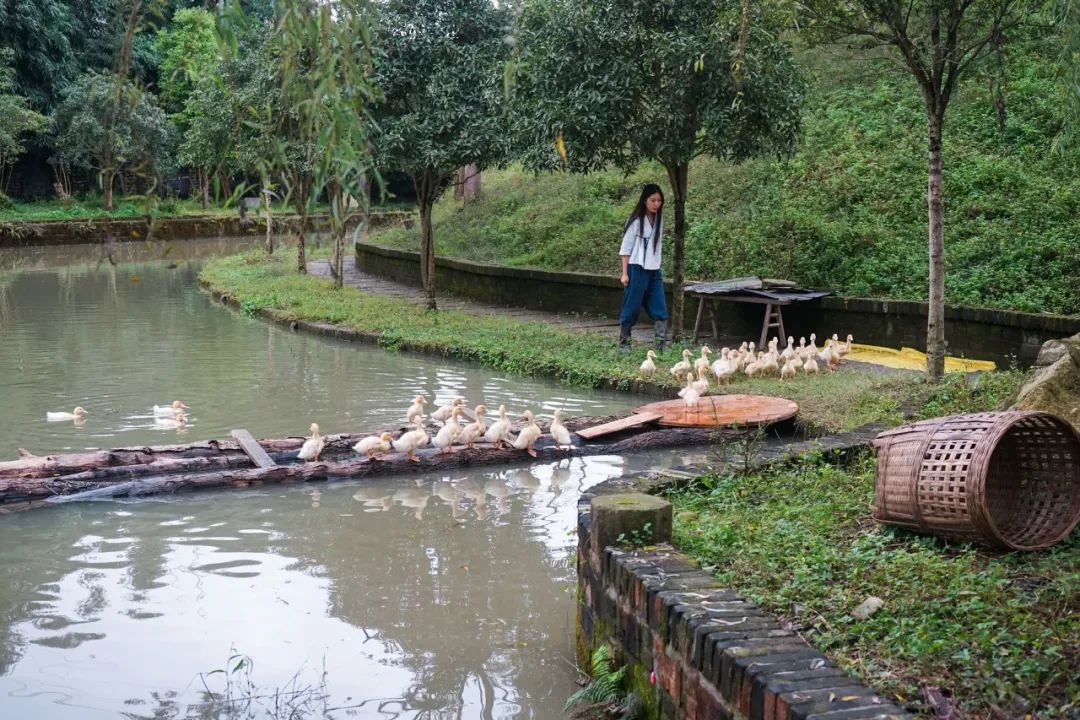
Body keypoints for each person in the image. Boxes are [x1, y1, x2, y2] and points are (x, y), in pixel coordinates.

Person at [618, 183, 668, 352]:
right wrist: (625, 274)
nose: (656, 204)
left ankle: (661, 344)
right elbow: (625, 250)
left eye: (659, 200)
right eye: (652, 200)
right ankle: (624, 343)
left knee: (659, 305)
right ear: (645, 200)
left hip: (654, 270)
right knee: (631, 305)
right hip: (636, 268)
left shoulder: (659, 220)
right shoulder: (635, 221)